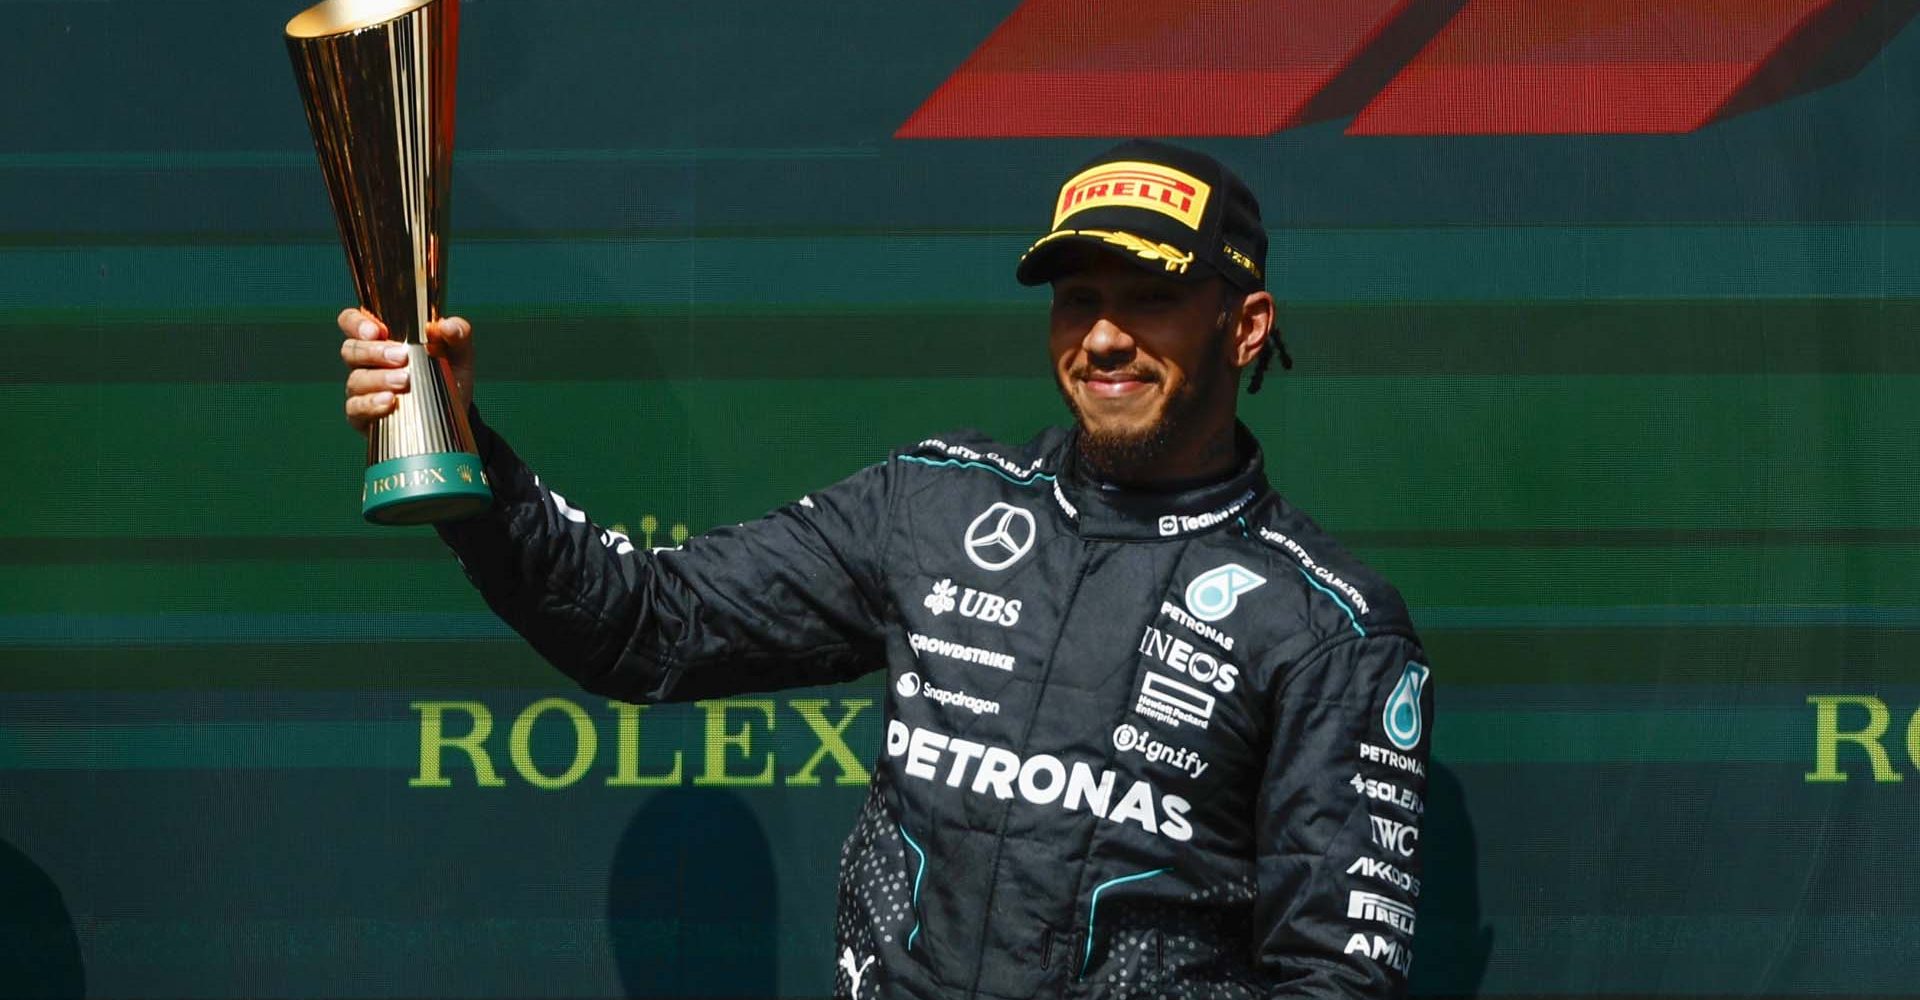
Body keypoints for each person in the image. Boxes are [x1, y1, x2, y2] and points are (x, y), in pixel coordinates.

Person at [336, 140, 1433, 1000]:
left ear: (1244, 328)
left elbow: (1336, 973)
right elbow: (644, 625)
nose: (1101, 337)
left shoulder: (1325, 625)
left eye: (1146, 298)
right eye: (1074, 298)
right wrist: (463, 449)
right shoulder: (934, 505)